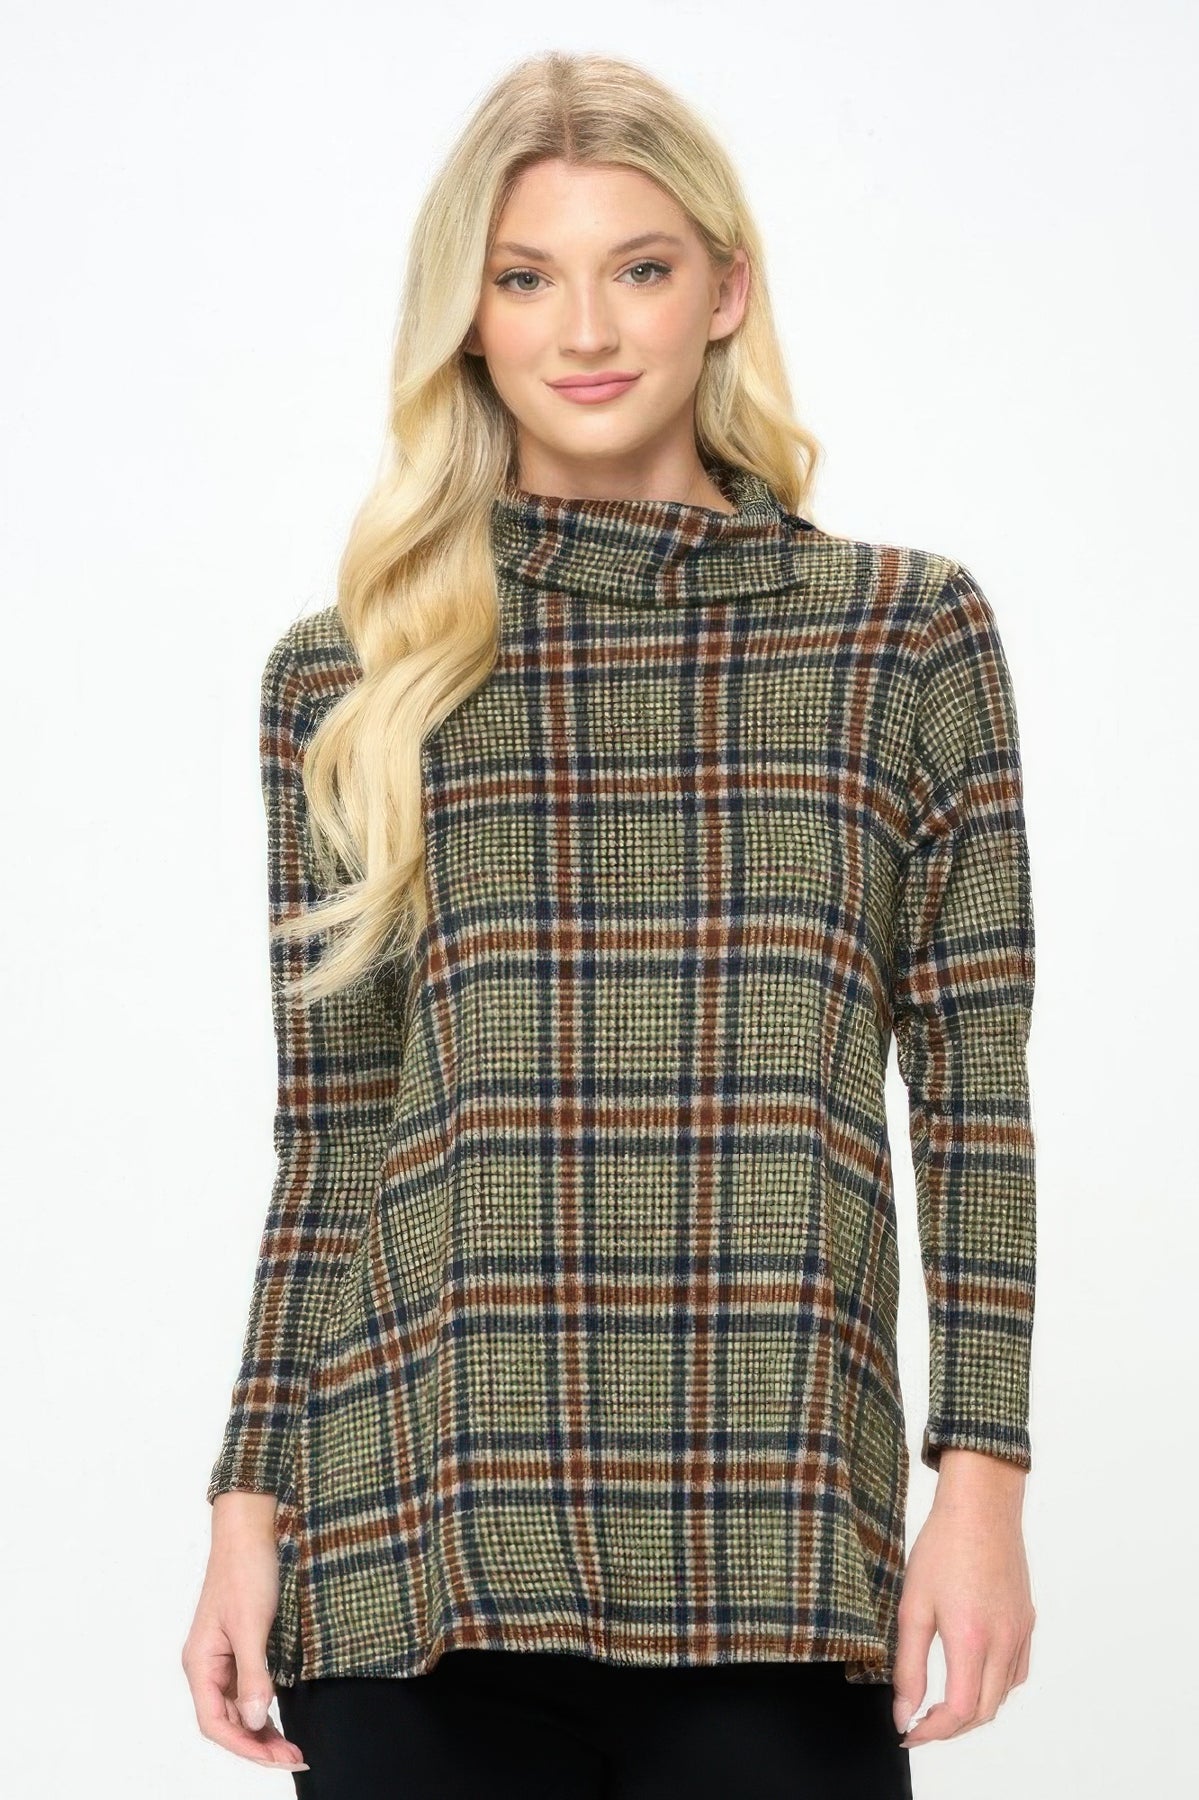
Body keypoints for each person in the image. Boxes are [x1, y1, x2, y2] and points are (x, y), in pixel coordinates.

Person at [182, 50, 1037, 1799]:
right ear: (467, 320)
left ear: (724, 290)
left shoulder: (902, 638)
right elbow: (331, 1135)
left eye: (638, 268)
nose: (584, 328)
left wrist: (984, 1484)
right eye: (525, 278)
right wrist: (244, 1507)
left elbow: (975, 1100)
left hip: (777, 1524)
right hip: (417, 1530)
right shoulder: (350, 677)